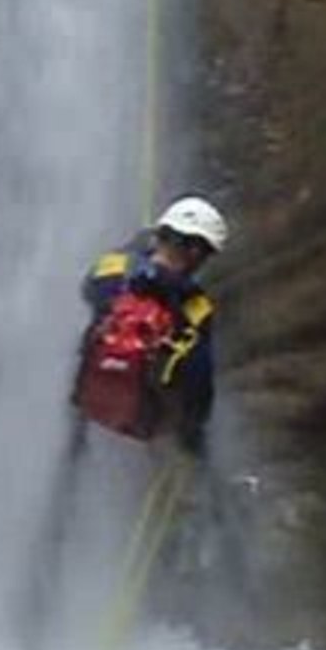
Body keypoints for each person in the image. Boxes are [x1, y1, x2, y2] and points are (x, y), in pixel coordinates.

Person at [70, 196, 228, 464]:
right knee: (199, 461)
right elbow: (201, 384)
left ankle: (67, 471)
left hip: (88, 398)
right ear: (196, 252)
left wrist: (135, 249)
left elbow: (87, 289)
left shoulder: (113, 270)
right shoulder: (194, 306)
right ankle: (212, 497)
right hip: (146, 418)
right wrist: (193, 434)